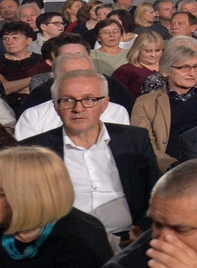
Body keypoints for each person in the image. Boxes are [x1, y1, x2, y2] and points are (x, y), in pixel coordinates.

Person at [20, 70, 161, 242]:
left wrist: (143, 230)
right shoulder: (34, 150)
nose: (78, 109)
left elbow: (157, 194)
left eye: (89, 100)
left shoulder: (134, 140)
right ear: (56, 107)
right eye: (67, 100)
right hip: (68, 244)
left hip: (131, 241)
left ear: (104, 104)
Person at [130, 40, 197, 170]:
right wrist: (171, 165)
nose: (192, 73)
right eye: (184, 68)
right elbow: (144, 144)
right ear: (165, 71)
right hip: (173, 167)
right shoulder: (145, 103)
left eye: (196, 67)